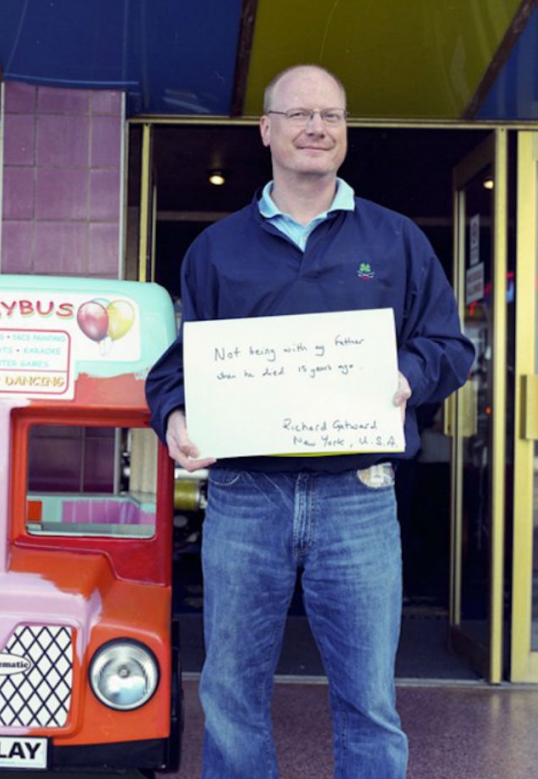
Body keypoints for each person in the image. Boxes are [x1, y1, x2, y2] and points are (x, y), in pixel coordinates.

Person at [145, 64, 474, 779]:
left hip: (356, 497)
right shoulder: (215, 250)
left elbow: (450, 347)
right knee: (231, 697)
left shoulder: (395, 242)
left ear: (345, 133)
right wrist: (172, 416)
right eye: (297, 114)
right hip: (243, 501)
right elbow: (175, 368)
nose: (315, 127)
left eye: (329, 115)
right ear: (266, 130)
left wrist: (406, 374)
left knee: (367, 702)